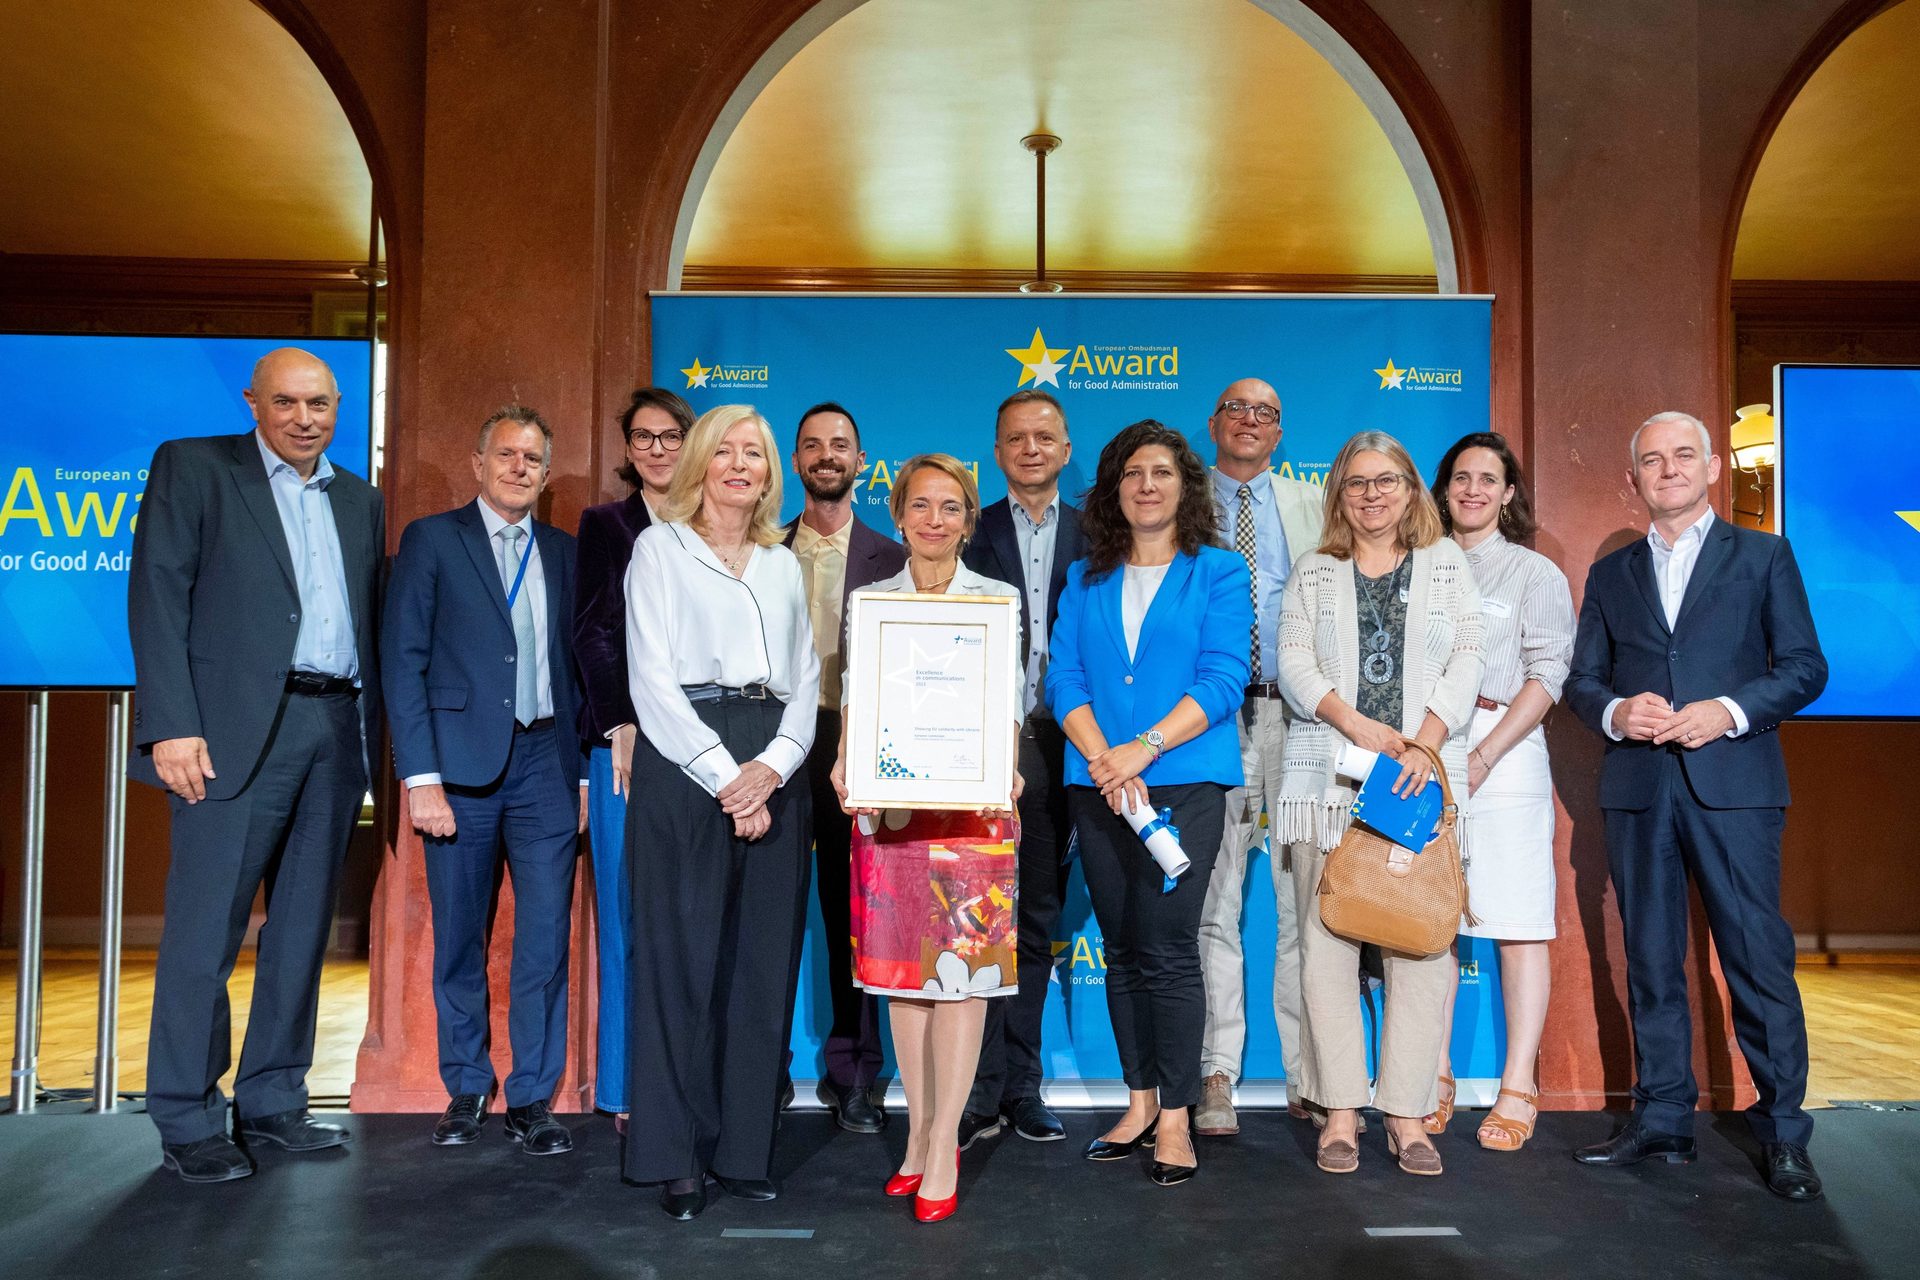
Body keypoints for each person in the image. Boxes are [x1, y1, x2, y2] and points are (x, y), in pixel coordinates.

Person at [128, 347, 383, 1183]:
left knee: (302, 930)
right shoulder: (195, 468)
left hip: (333, 728)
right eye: (287, 402)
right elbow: (157, 595)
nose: (305, 418)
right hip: (228, 737)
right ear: (254, 402)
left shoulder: (360, 500)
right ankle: (187, 1116)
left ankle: (274, 1100)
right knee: (206, 932)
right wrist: (171, 726)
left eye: (320, 403)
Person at [1565, 411, 1827, 1201]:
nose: (1668, 468)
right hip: (1641, 788)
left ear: (1712, 468)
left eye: (1684, 455)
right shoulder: (1612, 575)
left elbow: (1807, 668)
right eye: (1652, 459)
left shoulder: (1764, 555)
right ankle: (1664, 1119)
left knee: (1757, 959)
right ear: (1634, 478)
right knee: (1650, 957)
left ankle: (1783, 1134)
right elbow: (1583, 682)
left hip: (1736, 785)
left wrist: (1729, 710)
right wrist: (1617, 714)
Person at [623, 404, 820, 1221]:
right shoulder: (657, 549)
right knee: (679, 967)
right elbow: (651, 681)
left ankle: (743, 1151)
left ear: (771, 474)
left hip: (774, 759)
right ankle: (673, 1156)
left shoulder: (781, 562)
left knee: (760, 966)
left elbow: (807, 676)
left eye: (757, 454)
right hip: (685, 763)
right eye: (727, 451)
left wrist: (771, 769)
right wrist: (723, 776)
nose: (741, 465)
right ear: (700, 460)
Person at [1048, 420, 1253, 1188]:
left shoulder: (1220, 573)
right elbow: (1063, 678)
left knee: (1168, 947)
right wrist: (1104, 755)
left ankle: (1176, 1116)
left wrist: (1146, 748)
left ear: (1184, 486)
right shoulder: (1086, 578)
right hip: (1099, 784)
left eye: (1161, 471)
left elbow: (1223, 678)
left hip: (1186, 778)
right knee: (1124, 947)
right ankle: (1137, 1103)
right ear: (1113, 490)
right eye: (1132, 472)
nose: (1146, 484)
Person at [1276, 430, 1484, 1178]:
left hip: (1418, 783)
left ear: (1409, 489)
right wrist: (1359, 725)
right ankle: (1339, 1112)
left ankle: (1405, 1114)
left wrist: (1422, 743)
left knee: (1422, 948)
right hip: (1328, 783)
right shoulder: (1315, 568)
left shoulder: (1446, 562)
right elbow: (1292, 661)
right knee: (1326, 948)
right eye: (1357, 482)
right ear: (1339, 493)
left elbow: (1469, 654)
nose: (1371, 494)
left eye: (1386, 480)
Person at [383, 404, 587, 1158]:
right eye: (506, 455)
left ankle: (533, 1097)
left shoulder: (564, 553)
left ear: (544, 471)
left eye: (533, 459)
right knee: (460, 941)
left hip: (546, 767)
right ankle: (467, 1084)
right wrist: (420, 779)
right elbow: (402, 663)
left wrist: (586, 778)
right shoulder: (433, 541)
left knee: (543, 942)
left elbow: (580, 671)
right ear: (478, 463)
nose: (519, 468)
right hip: (459, 773)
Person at [829, 453, 1024, 1223]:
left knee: (963, 979)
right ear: (900, 512)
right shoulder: (872, 599)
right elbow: (857, 695)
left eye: (951, 508)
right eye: (920, 506)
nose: (934, 520)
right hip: (894, 810)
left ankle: (944, 1142)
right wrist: (848, 763)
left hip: (973, 810)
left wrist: (1003, 769)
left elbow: (1009, 700)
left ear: (969, 522)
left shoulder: (996, 599)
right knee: (903, 979)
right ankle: (917, 1132)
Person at [1425, 431, 1574, 1151]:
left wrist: (1483, 753)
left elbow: (1549, 675)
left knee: (1516, 924)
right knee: (1430, 922)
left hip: (1505, 756)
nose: (1473, 489)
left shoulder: (1534, 574)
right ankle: (1431, 1075)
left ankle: (1518, 1084)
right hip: (1423, 754)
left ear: (1509, 492)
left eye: (1488, 478)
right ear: (1443, 488)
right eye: (1460, 477)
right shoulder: (1415, 565)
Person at [1195, 377, 1327, 1136]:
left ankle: (1312, 1076)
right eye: (1238, 409)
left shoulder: (1312, 503)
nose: (1250, 421)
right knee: (1215, 904)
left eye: (1267, 413)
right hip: (1211, 721)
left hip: (1303, 719)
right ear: (1214, 423)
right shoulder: (1181, 503)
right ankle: (1217, 1074)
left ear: (1281, 433)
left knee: (1303, 904)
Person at [959, 389, 1086, 1148]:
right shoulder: (969, 531)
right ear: (998, 453)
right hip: (987, 748)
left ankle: (1022, 1085)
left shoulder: (1097, 535)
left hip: (1071, 742)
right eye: (1016, 438)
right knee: (980, 919)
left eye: (1045, 437)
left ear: (1066, 450)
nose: (1031, 448)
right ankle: (976, 1092)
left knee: (1036, 918)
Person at [572, 386, 695, 1129]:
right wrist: (619, 720)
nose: (656, 449)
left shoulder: (716, 523)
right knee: (625, 914)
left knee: (689, 917)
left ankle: (685, 1078)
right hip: (624, 746)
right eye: (643, 437)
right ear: (627, 450)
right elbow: (591, 632)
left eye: (669, 435)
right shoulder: (605, 524)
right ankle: (623, 1088)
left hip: (704, 746)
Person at [781, 401, 906, 1133]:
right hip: (773, 753)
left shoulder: (893, 558)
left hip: (859, 750)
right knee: (765, 917)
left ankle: (857, 1074)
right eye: (812, 445)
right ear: (796, 462)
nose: (827, 455)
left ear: (861, 460)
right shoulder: (761, 552)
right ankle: (757, 1072)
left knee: (856, 917)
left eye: (841, 445)